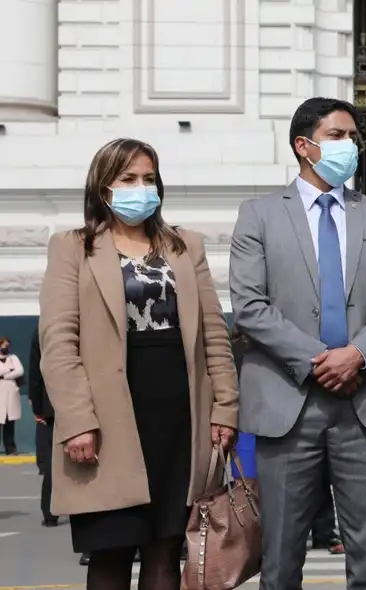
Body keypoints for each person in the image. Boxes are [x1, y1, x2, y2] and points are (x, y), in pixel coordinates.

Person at [229, 97, 366, 590]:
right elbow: (249, 306)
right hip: (288, 404)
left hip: (364, 403)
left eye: (353, 137)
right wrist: (318, 361)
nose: (350, 145)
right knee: (281, 556)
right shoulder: (259, 216)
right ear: (303, 145)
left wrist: (356, 356)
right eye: (337, 136)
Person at [38, 138, 239, 590]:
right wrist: (76, 420)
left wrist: (225, 408)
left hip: (179, 418)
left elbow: (214, 334)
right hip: (107, 420)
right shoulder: (73, 247)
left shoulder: (185, 246)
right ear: (103, 186)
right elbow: (59, 342)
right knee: (110, 553)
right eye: (128, 179)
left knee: (165, 552)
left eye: (148, 178)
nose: (140, 188)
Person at [28, 328, 56, 527]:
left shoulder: (42, 328)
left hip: (52, 402)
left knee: (54, 462)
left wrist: (38, 407)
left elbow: (35, 371)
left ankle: (50, 513)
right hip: (84, 399)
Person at [0, 337, 23, 455]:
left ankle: (10, 448)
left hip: (11, 393)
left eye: (7, 346)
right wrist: (9, 370)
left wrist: (5, 376)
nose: (6, 348)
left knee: (9, 422)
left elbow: (20, 371)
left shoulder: (13, 358)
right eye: (4, 345)